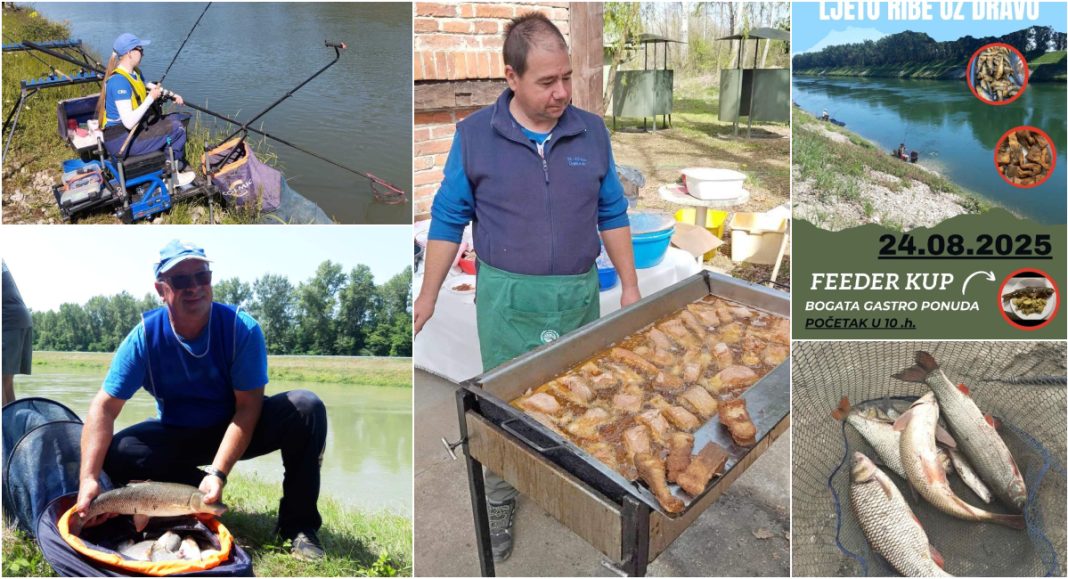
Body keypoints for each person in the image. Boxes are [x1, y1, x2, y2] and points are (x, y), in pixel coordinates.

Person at [413, 13, 640, 562]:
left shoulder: (592, 131)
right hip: (507, 303)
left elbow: (611, 210)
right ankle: (499, 498)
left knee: (585, 397)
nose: (561, 92)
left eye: (567, 78)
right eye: (546, 81)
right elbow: (448, 220)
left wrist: (631, 288)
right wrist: (427, 296)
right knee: (508, 411)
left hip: (579, 295)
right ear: (510, 77)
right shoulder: (474, 138)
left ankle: (581, 486)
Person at [75, 240, 328, 560]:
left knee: (306, 408)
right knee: (119, 450)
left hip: (237, 426)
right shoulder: (143, 337)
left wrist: (218, 472)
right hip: (179, 432)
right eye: (181, 280)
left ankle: (298, 527)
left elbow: (248, 408)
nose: (194, 287)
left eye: (202, 276)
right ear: (161, 289)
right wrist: (89, 478)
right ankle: (188, 498)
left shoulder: (241, 329)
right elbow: (104, 407)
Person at [97, 33, 193, 180]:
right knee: (178, 129)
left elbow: (150, 86)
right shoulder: (118, 82)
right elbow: (129, 122)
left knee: (177, 118)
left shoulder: (134, 73)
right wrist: (149, 99)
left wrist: (172, 94)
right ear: (130, 53)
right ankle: (172, 173)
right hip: (121, 140)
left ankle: (169, 160)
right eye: (140, 49)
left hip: (132, 132)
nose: (143, 53)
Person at [2, 260, 33, 406]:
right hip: (18, 318)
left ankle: (3, 427)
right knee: (5, 383)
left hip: (7, 320)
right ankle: (13, 427)